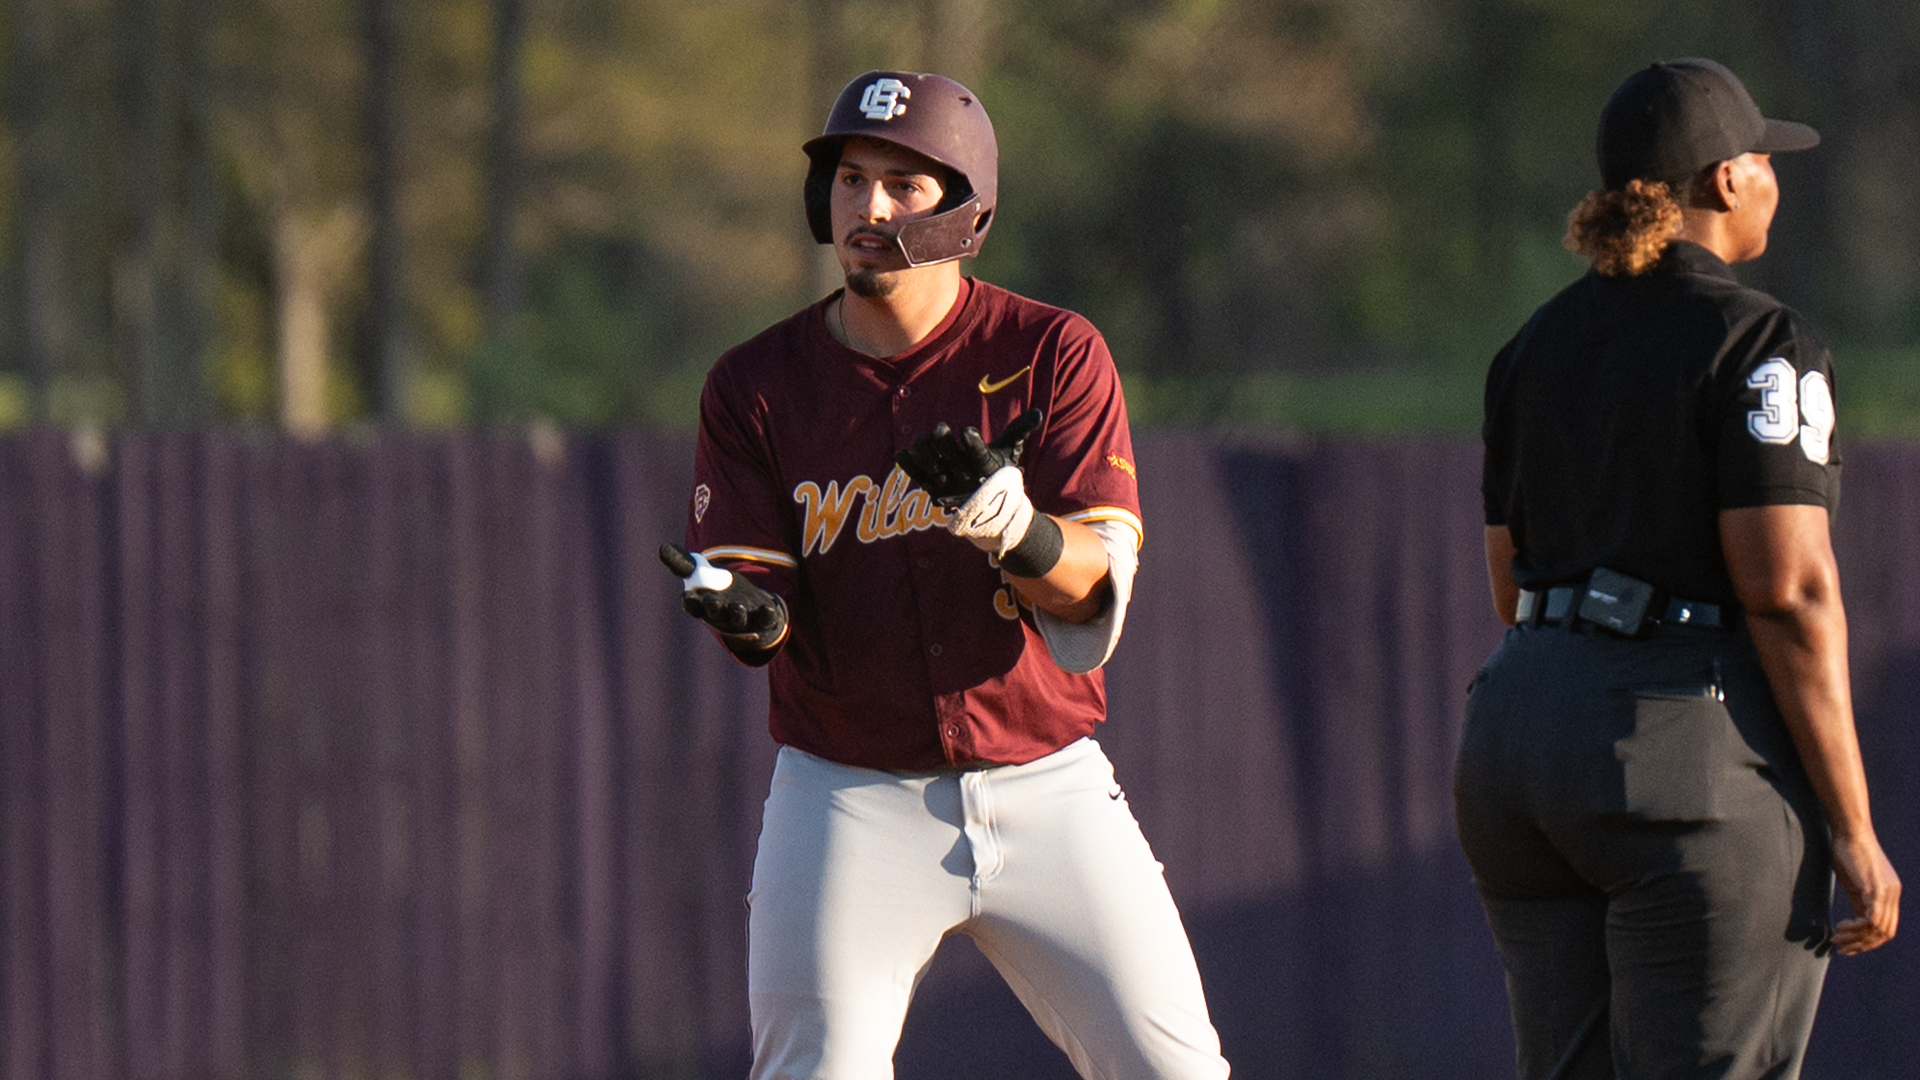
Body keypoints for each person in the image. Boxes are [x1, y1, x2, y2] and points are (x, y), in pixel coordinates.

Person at [659, 70, 1230, 1080]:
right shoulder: (756, 385)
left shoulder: (1052, 351)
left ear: (968, 210)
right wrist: (746, 614)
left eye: (904, 184)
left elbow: (1095, 586)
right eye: (850, 179)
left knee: (1175, 1070)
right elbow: (761, 597)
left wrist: (1017, 530)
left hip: (1045, 779)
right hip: (846, 791)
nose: (869, 207)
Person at [1454, 57, 1900, 1079]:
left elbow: (1510, 587)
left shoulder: (1533, 344)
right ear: (1727, 179)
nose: (1775, 180)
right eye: (1764, 160)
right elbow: (1789, 591)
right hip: (1678, 758)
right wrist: (1852, 825)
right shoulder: (1761, 339)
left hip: (1517, 746)